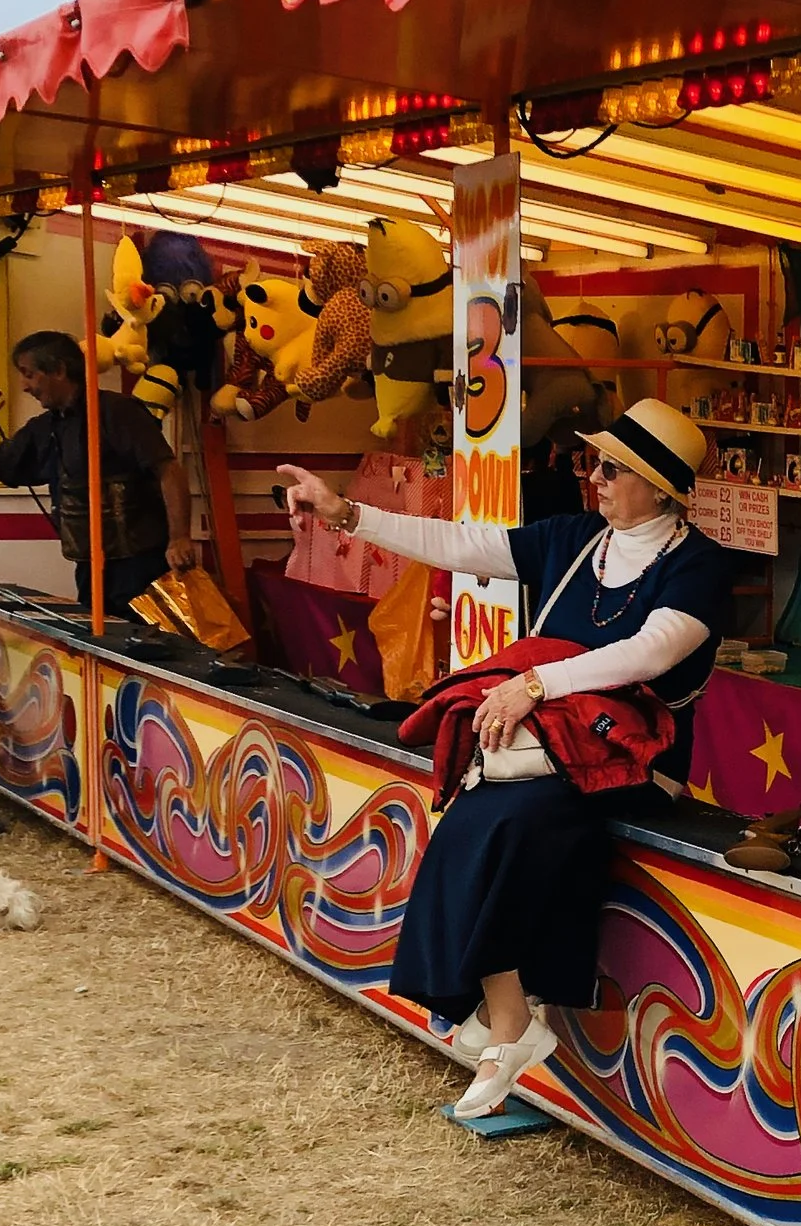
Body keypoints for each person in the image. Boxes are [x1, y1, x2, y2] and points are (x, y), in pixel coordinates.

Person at [276, 398, 737, 1116]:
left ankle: (510, 1021)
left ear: (659, 487)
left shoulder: (701, 564)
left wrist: (534, 683)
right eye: (594, 463)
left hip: (638, 761)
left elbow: (652, 651)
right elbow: (462, 543)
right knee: (465, 818)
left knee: (504, 822)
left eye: (612, 468)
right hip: (548, 752)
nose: (595, 477)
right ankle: (511, 1016)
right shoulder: (577, 539)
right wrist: (346, 513)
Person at [0, 330, 196, 616]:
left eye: (29, 374)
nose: (24, 386)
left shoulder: (119, 412)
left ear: (58, 369)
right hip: (91, 565)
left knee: (146, 648)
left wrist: (179, 537)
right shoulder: (45, 428)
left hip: (141, 564)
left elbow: (169, 469)